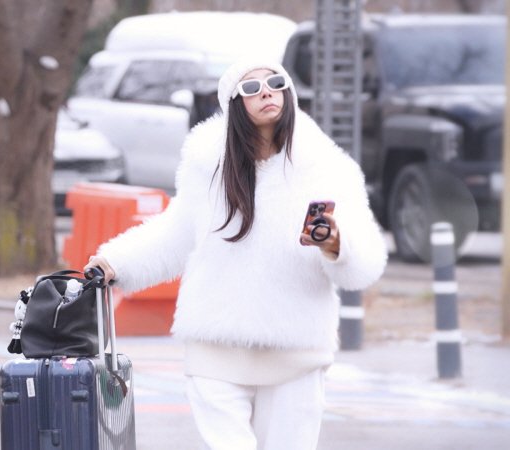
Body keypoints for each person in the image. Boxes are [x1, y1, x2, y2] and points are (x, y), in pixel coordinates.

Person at [84, 58, 388, 450]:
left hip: (296, 351)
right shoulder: (207, 167)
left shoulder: (327, 168)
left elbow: (366, 262)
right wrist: (115, 262)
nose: (266, 92)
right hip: (215, 348)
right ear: (233, 104)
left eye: (275, 82)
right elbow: (175, 232)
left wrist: (336, 244)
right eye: (251, 88)